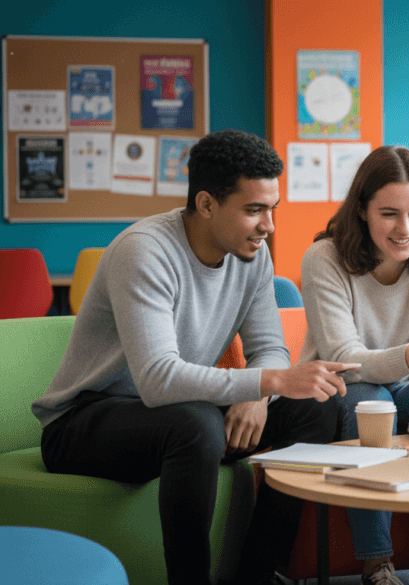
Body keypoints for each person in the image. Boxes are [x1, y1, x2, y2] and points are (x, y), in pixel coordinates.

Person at [31, 129, 356, 585]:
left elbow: (269, 346)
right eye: (253, 210)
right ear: (206, 204)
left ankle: (255, 575)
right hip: (84, 422)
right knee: (196, 423)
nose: (269, 226)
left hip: (175, 416)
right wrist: (269, 383)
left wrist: (257, 397)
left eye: (272, 209)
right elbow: (157, 379)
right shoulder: (143, 251)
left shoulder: (252, 256)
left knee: (315, 409)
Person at [298, 145, 409, 585]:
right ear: (362, 210)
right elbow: (343, 358)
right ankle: (377, 565)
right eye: (389, 213)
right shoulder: (324, 259)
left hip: (408, 385)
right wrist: (408, 356)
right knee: (371, 401)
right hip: (339, 387)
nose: (405, 228)